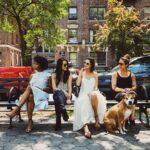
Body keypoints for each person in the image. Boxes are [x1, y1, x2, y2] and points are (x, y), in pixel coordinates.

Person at [6, 56, 52, 132]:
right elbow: (28, 87)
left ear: (40, 65)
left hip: (42, 95)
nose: (33, 65)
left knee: (30, 88)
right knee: (30, 95)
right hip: (32, 95)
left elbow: (50, 89)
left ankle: (16, 110)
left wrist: (40, 88)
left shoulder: (48, 75)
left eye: (35, 63)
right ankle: (30, 122)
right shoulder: (32, 75)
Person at [73, 57, 107, 139]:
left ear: (91, 65)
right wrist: (80, 74)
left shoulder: (95, 74)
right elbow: (77, 84)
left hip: (94, 92)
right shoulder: (82, 73)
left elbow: (96, 87)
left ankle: (96, 117)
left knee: (93, 95)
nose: (85, 64)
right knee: (84, 101)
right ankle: (86, 127)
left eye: (87, 63)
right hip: (83, 94)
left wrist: (91, 92)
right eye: (84, 62)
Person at [111, 54, 137, 125]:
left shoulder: (132, 75)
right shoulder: (115, 74)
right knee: (124, 96)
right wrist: (123, 90)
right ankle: (127, 118)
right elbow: (114, 87)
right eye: (119, 63)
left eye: (121, 64)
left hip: (129, 93)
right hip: (119, 93)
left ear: (126, 65)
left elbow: (134, 86)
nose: (119, 65)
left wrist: (130, 89)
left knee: (133, 95)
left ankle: (131, 116)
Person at [51, 58, 72, 131]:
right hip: (58, 93)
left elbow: (69, 87)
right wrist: (63, 91)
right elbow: (54, 88)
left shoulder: (69, 74)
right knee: (58, 94)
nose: (66, 66)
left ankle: (58, 123)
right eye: (65, 65)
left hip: (66, 95)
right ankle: (63, 109)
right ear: (60, 65)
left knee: (57, 100)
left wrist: (69, 97)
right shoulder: (54, 75)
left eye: (67, 65)